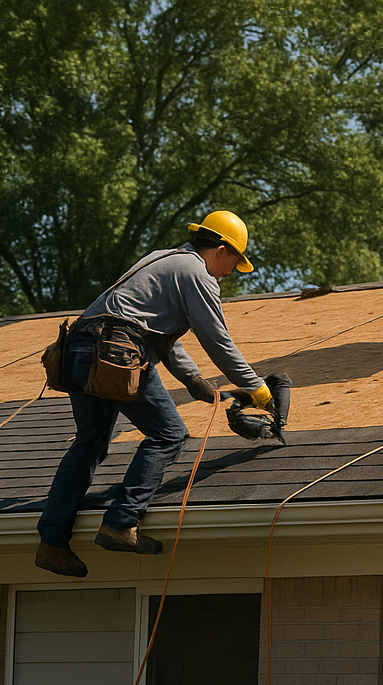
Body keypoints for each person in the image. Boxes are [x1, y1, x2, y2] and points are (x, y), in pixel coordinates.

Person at [34, 211, 274, 578]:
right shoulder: (197, 273)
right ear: (221, 250)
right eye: (233, 263)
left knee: (89, 442)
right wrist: (258, 389)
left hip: (79, 349)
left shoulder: (164, 260)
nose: (228, 273)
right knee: (169, 434)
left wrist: (193, 380)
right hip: (115, 350)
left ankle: (52, 543)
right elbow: (216, 339)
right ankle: (121, 523)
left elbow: (154, 333)